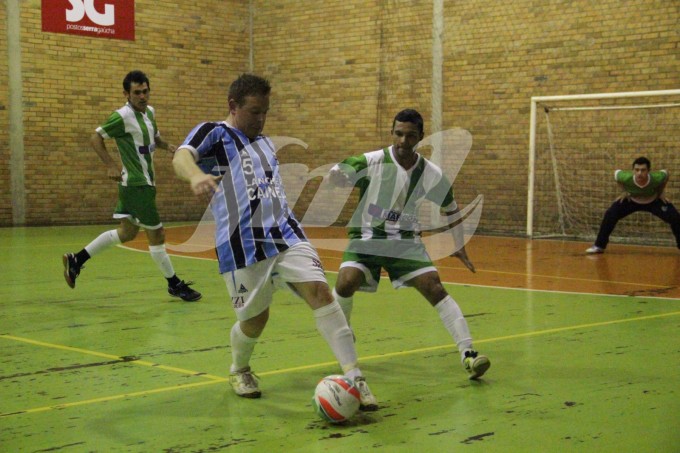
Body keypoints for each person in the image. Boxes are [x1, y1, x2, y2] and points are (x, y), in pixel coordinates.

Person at [171, 73, 378, 409]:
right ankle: (239, 368)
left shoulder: (265, 142)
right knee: (255, 320)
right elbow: (181, 156)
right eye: (254, 111)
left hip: (285, 233)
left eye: (266, 111)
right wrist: (196, 175)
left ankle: (356, 378)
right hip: (241, 244)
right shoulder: (215, 132)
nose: (261, 118)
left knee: (322, 293)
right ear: (233, 106)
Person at [327, 108, 491, 380]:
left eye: (410, 135)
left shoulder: (430, 173)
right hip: (368, 238)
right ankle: (343, 333)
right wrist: (337, 176)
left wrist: (458, 243)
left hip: (405, 242)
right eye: (398, 134)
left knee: (435, 288)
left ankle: (469, 354)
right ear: (392, 133)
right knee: (345, 281)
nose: (403, 141)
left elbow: (451, 208)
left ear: (420, 137)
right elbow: (343, 168)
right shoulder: (373, 160)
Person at [62, 70, 201, 302]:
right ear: (126, 93)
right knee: (157, 234)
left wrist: (169, 147)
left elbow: (154, 138)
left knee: (127, 232)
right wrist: (110, 165)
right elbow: (96, 137)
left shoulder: (150, 113)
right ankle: (174, 284)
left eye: (145, 91)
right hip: (137, 184)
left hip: (141, 183)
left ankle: (77, 260)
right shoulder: (122, 117)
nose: (142, 96)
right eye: (137, 92)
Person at [586, 156, 680, 254]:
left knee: (675, 218)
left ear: (648, 171)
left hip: (653, 201)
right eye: (637, 170)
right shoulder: (626, 177)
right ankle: (599, 246)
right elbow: (616, 174)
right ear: (633, 171)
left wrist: (660, 193)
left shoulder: (656, 177)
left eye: (643, 170)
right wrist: (624, 192)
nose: (639, 173)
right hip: (631, 200)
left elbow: (666, 173)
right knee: (610, 214)